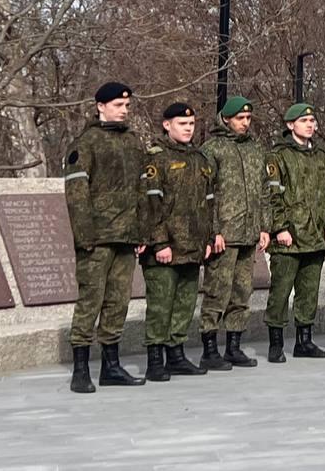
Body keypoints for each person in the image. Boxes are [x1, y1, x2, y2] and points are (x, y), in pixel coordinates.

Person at [63, 81, 147, 393]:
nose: (124, 109)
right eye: (118, 105)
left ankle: (111, 365)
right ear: (101, 106)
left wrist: (141, 231)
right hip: (96, 239)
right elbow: (76, 195)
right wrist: (86, 237)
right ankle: (81, 369)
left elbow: (142, 191)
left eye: (126, 105)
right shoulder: (85, 144)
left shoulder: (132, 142)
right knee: (90, 301)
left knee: (118, 302)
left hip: (125, 237)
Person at [139, 102, 220, 381]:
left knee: (185, 304)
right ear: (167, 125)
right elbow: (151, 203)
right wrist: (159, 243)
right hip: (165, 249)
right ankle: (155, 359)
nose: (188, 128)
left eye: (191, 124)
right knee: (161, 305)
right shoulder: (156, 158)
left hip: (193, 247)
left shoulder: (200, 159)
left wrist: (208, 238)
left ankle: (176, 354)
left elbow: (208, 203)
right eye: (182, 124)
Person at [198, 95, 270, 369]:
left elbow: (264, 189)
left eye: (248, 118)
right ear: (226, 119)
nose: (245, 123)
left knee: (242, 292)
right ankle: (209, 348)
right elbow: (206, 194)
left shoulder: (254, 148)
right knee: (217, 291)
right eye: (240, 118)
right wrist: (213, 230)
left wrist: (265, 226)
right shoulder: (212, 148)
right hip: (224, 234)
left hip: (249, 232)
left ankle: (233, 346)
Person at [264, 103, 325, 362]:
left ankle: (304, 341)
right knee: (281, 292)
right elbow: (273, 195)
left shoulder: (320, 155)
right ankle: (276, 343)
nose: (310, 125)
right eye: (304, 121)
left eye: (312, 120)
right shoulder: (278, 156)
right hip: (289, 236)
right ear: (290, 125)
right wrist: (279, 227)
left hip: (314, 235)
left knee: (308, 292)